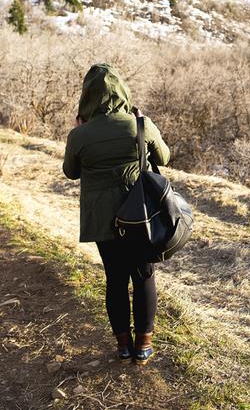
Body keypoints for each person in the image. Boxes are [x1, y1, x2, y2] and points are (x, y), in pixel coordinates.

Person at [63, 63, 170, 365]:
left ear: (87, 97)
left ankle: (123, 347)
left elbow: (70, 172)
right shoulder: (140, 124)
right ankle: (144, 345)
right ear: (122, 91)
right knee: (144, 275)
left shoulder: (79, 135)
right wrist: (143, 127)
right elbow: (164, 157)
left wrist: (80, 132)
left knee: (115, 278)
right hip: (140, 215)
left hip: (102, 218)